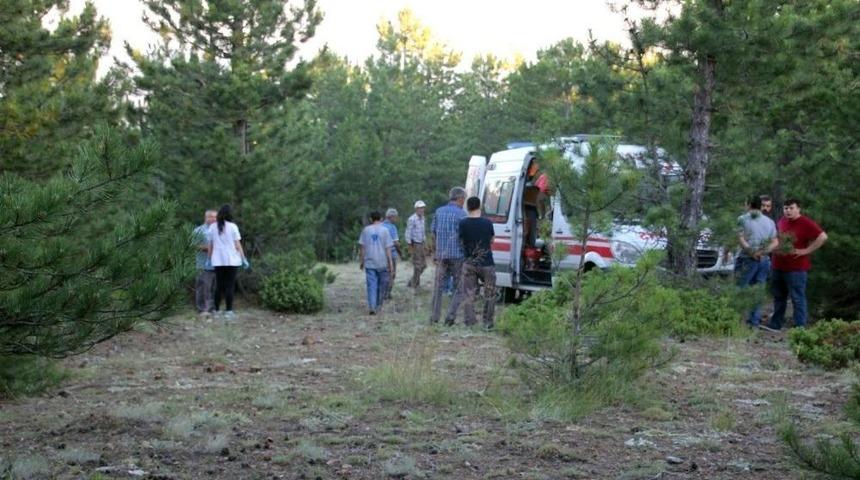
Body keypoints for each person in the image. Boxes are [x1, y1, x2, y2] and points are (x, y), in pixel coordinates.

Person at [766, 199, 828, 330]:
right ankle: (775, 324)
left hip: (796, 268)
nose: (788, 211)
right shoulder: (782, 221)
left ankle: (800, 328)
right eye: (785, 208)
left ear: (798, 209)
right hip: (778, 266)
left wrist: (806, 250)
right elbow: (775, 239)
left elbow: (823, 237)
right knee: (779, 297)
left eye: (791, 208)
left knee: (797, 298)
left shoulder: (805, 222)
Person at [736, 195, 777, 328]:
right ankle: (754, 323)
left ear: (748, 204)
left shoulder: (742, 219)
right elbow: (775, 242)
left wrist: (751, 252)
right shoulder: (769, 222)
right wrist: (763, 252)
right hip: (764, 260)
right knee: (758, 291)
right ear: (760, 206)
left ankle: (736, 321)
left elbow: (740, 238)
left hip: (746, 258)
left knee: (740, 289)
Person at [456, 196, 497, 328]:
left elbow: (460, 241)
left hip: (469, 262)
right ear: (480, 207)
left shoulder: (463, 223)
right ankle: (488, 322)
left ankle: (470, 321)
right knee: (490, 293)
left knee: (469, 293)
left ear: (468, 207)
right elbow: (492, 240)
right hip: (487, 263)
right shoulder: (488, 223)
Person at [430, 187, 467, 325]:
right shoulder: (462, 214)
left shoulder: (439, 211)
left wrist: (436, 251)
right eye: (464, 199)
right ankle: (450, 317)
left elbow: (433, 233)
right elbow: (464, 236)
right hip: (457, 256)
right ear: (460, 198)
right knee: (459, 288)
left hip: (441, 255)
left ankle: (434, 317)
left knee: (438, 287)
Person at [208, 204, 248, 320]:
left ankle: (216, 310)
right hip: (232, 260)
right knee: (229, 286)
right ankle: (229, 311)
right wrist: (243, 258)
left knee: (219, 286)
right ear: (230, 215)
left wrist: (208, 259)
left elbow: (211, 245)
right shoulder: (233, 227)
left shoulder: (212, 227)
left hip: (218, 260)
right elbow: (237, 244)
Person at [358, 211, 394, 315]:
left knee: (371, 285)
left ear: (371, 219)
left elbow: (362, 248)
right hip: (382, 262)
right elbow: (388, 249)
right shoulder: (385, 230)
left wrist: (362, 261)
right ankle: (378, 305)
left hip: (370, 262)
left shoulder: (366, 230)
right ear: (381, 219)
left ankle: (372, 306)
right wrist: (391, 264)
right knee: (381, 285)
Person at [193, 209, 218, 316]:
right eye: (211, 217)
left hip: (218, 265)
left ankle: (212, 309)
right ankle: (202, 309)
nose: (213, 219)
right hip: (203, 265)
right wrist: (208, 248)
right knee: (203, 288)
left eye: (215, 217)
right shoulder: (199, 230)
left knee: (214, 288)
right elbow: (193, 246)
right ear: (206, 218)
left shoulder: (219, 230)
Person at [405, 200, 427, 288]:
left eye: (423, 208)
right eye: (420, 208)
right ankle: (415, 285)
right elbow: (408, 232)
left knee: (424, 265)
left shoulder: (423, 218)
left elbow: (423, 231)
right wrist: (410, 246)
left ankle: (412, 282)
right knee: (418, 266)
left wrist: (425, 243)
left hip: (421, 243)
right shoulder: (412, 219)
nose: (422, 210)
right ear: (416, 209)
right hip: (415, 244)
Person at [381, 208, 401, 300]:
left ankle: (381, 293)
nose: (396, 219)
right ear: (391, 217)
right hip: (391, 254)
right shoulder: (392, 227)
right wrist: (400, 252)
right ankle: (387, 294)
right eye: (395, 217)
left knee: (383, 274)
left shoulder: (380, 226)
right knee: (392, 274)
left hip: (380, 254)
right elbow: (396, 243)